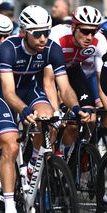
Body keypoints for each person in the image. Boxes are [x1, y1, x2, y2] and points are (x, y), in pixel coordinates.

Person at [0, 5, 90, 212]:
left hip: (29, 89)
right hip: (2, 92)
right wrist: (24, 110)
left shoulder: (52, 49)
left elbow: (65, 87)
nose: (44, 38)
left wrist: (76, 107)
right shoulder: (9, 48)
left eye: (47, 32)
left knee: (49, 121)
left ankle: (32, 169)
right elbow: (8, 92)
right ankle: (8, 203)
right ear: (24, 32)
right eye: (38, 33)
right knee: (11, 143)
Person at [48, 5, 107, 156]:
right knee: (52, 124)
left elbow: (102, 84)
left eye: (93, 32)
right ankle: (49, 158)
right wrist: (55, 111)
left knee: (90, 118)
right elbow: (48, 81)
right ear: (74, 27)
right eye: (85, 31)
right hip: (51, 74)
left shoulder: (99, 42)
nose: (89, 37)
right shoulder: (56, 36)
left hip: (73, 70)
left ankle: (74, 155)